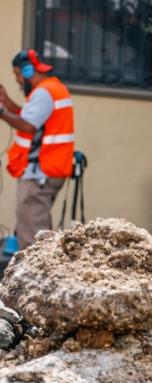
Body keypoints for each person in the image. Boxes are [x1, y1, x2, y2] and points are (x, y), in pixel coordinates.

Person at [0, 49, 74, 250]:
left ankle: (38, 279)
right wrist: (6, 104)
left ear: (27, 71)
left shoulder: (43, 93)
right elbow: (29, 117)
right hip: (45, 171)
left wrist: (1, 111)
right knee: (36, 231)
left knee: (32, 237)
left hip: (39, 173)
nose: (17, 80)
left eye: (17, 74)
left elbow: (28, 125)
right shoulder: (51, 89)